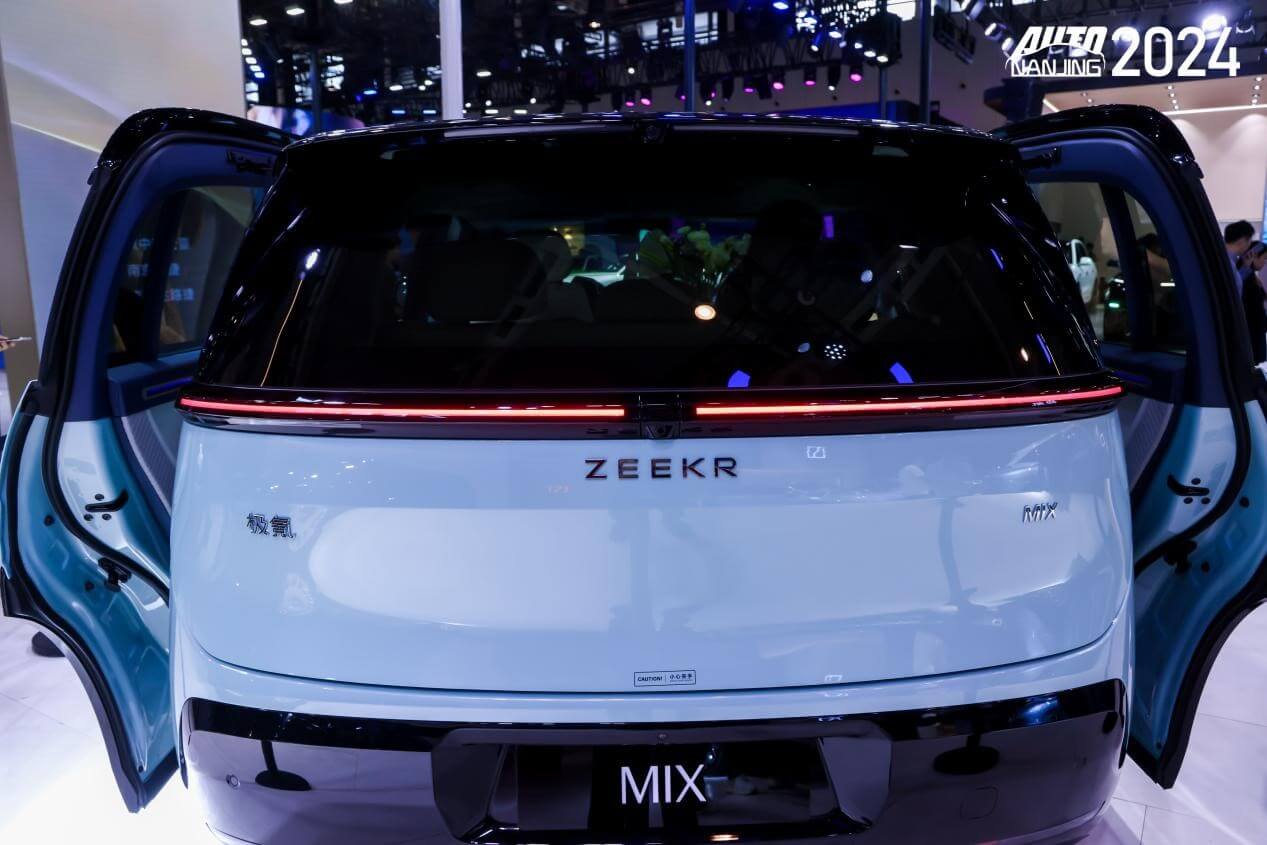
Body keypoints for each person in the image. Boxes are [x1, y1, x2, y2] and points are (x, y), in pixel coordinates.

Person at [1225, 220, 1256, 292]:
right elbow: (1235, 286)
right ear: (1242, 240)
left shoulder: (1227, 258)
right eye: (1249, 241)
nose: (1249, 245)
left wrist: (1245, 266)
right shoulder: (1230, 263)